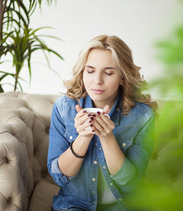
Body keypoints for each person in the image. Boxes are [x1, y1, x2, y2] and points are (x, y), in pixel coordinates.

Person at [47, 35, 157, 211]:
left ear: (122, 77)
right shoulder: (63, 108)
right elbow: (59, 177)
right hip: (75, 205)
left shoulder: (142, 116)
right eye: (90, 71)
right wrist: (83, 137)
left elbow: (132, 184)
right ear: (82, 72)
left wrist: (107, 138)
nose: (97, 80)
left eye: (108, 72)